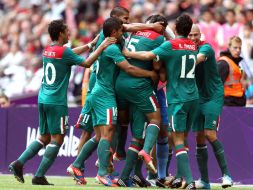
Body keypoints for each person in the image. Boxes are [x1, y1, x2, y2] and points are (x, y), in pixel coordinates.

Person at [8, 19, 115, 185]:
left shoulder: (48, 50)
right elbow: (86, 63)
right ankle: (38, 176)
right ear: (60, 34)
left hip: (43, 98)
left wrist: (89, 45)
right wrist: (101, 46)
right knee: (57, 139)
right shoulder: (64, 53)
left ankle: (19, 163)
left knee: (43, 136)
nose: (69, 34)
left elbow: (69, 53)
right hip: (56, 102)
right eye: (67, 31)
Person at [68, 5, 164, 185]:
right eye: (124, 22)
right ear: (114, 27)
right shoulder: (111, 45)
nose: (126, 27)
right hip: (105, 93)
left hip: (97, 91)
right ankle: (103, 172)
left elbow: (129, 29)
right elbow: (127, 67)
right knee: (107, 133)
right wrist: (150, 74)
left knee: (99, 135)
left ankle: (77, 164)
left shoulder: (109, 38)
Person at [123, 13, 198, 189]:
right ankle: (176, 177)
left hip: (174, 97)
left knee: (170, 136)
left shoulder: (168, 45)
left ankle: (184, 180)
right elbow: (162, 69)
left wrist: (127, 53)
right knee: (178, 138)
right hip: (191, 96)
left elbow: (151, 58)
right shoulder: (193, 46)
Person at [115, 14, 167, 187]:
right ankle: (146, 152)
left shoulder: (132, 33)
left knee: (137, 134)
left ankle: (125, 176)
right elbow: (159, 68)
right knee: (155, 119)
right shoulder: (160, 39)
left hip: (120, 83)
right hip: (139, 86)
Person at [188, 24, 233, 189]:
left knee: (209, 134)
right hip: (197, 97)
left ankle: (227, 175)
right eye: (190, 35)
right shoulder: (185, 48)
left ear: (200, 36)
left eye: (195, 35)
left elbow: (197, 59)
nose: (192, 38)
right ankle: (204, 181)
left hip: (213, 96)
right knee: (198, 137)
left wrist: (179, 56)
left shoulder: (206, 48)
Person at [217, 36, 246, 106]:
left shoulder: (235, 63)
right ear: (229, 47)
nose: (238, 50)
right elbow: (217, 86)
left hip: (237, 101)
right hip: (228, 103)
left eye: (240, 48)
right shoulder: (224, 63)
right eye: (235, 48)